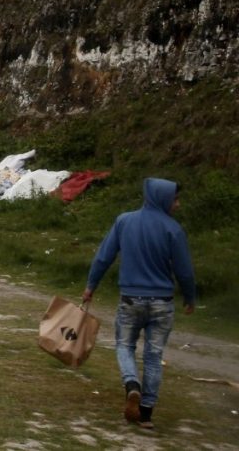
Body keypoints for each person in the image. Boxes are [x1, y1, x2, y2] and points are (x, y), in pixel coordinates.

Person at [82, 178, 196, 430]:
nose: (177, 204)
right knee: (154, 357)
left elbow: (104, 257)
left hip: (130, 300)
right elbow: (184, 271)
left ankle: (132, 385)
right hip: (162, 304)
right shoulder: (173, 229)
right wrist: (190, 297)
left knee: (124, 346)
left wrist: (91, 286)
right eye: (175, 199)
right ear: (163, 198)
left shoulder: (124, 221)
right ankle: (146, 414)